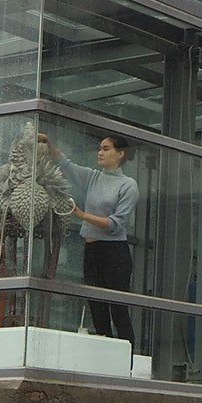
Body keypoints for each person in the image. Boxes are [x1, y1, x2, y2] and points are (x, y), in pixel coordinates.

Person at [37, 131, 138, 348]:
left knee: (118, 310)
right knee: (97, 308)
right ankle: (105, 362)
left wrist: (81, 215)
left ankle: (125, 365)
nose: (100, 152)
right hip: (92, 250)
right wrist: (49, 144)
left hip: (114, 253)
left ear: (120, 154)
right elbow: (66, 165)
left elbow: (115, 224)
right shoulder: (94, 177)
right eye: (100, 148)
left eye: (106, 149)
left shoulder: (128, 185)